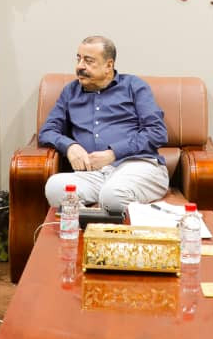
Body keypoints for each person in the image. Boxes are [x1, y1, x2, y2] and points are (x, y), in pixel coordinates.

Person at [41, 35, 169, 213]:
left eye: (88, 61)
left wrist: (113, 153)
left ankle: (150, 221)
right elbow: (47, 131)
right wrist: (69, 146)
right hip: (94, 175)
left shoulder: (134, 86)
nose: (80, 66)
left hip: (137, 166)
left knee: (112, 195)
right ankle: (91, 225)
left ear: (109, 65)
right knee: (55, 187)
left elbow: (157, 132)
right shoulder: (70, 92)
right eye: (78, 59)